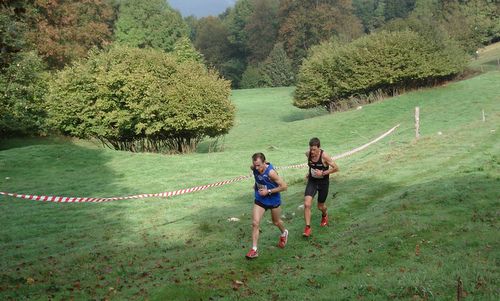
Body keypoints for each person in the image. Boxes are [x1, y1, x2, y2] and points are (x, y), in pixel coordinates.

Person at [246, 152, 288, 259]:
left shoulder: (271, 173)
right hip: (260, 199)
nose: (256, 167)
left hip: (273, 199)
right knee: (255, 223)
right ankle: (254, 250)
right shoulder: (254, 168)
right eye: (255, 165)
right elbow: (257, 175)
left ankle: (284, 233)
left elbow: (284, 187)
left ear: (264, 163)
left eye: (259, 165)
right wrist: (256, 185)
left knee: (276, 222)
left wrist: (268, 191)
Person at [303, 137, 339, 237]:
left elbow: (336, 168)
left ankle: (324, 215)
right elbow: (311, 165)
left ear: (319, 148)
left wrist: (323, 172)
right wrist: (309, 173)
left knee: (320, 206)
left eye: (314, 149)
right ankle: (307, 228)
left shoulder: (324, 156)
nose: (312, 151)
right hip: (312, 181)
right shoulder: (308, 154)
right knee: (307, 204)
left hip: (323, 183)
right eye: (311, 149)